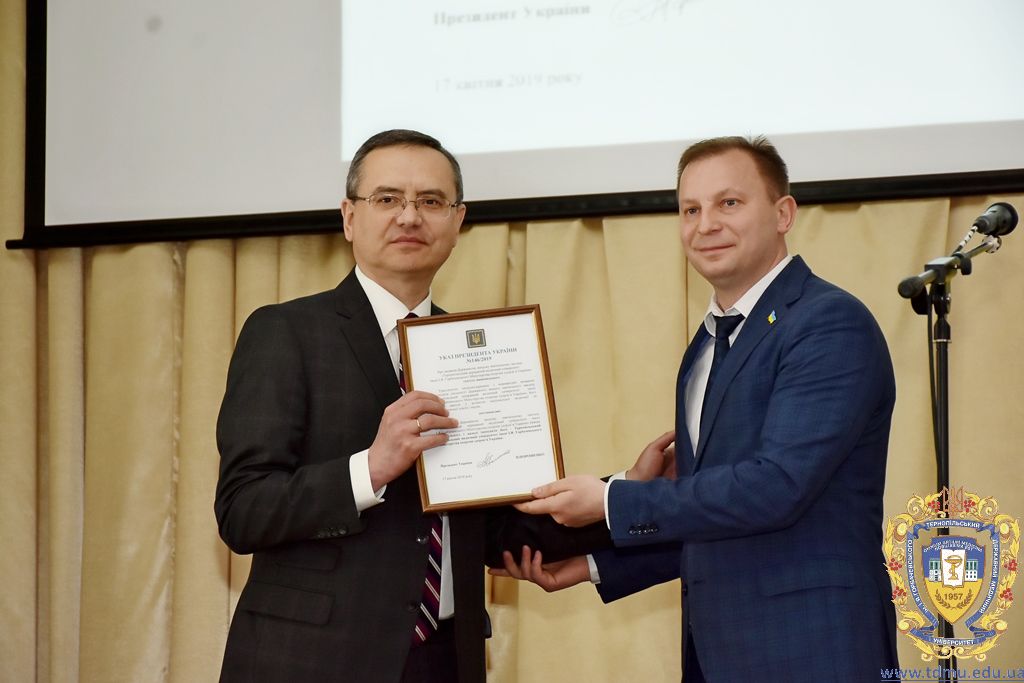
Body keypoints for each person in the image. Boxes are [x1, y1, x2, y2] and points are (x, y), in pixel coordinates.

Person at [497, 136, 900, 682]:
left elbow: (777, 488)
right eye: (690, 209)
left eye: (728, 203)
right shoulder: (707, 345)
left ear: (783, 214)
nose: (706, 224)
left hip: (812, 646)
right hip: (718, 653)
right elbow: (718, 516)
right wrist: (595, 564)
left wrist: (612, 502)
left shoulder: (827, 322)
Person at [214, 129, 607, 683]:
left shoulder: (476, 349)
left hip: (445, 658)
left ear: (458, 221)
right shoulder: (285, 332)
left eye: (430, 201)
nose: (409, 216)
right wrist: (369, 469)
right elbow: (242, 510)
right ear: (350, 217)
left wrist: (622, 495)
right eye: (387, 198)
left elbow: (495, 528)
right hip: (310, 659)